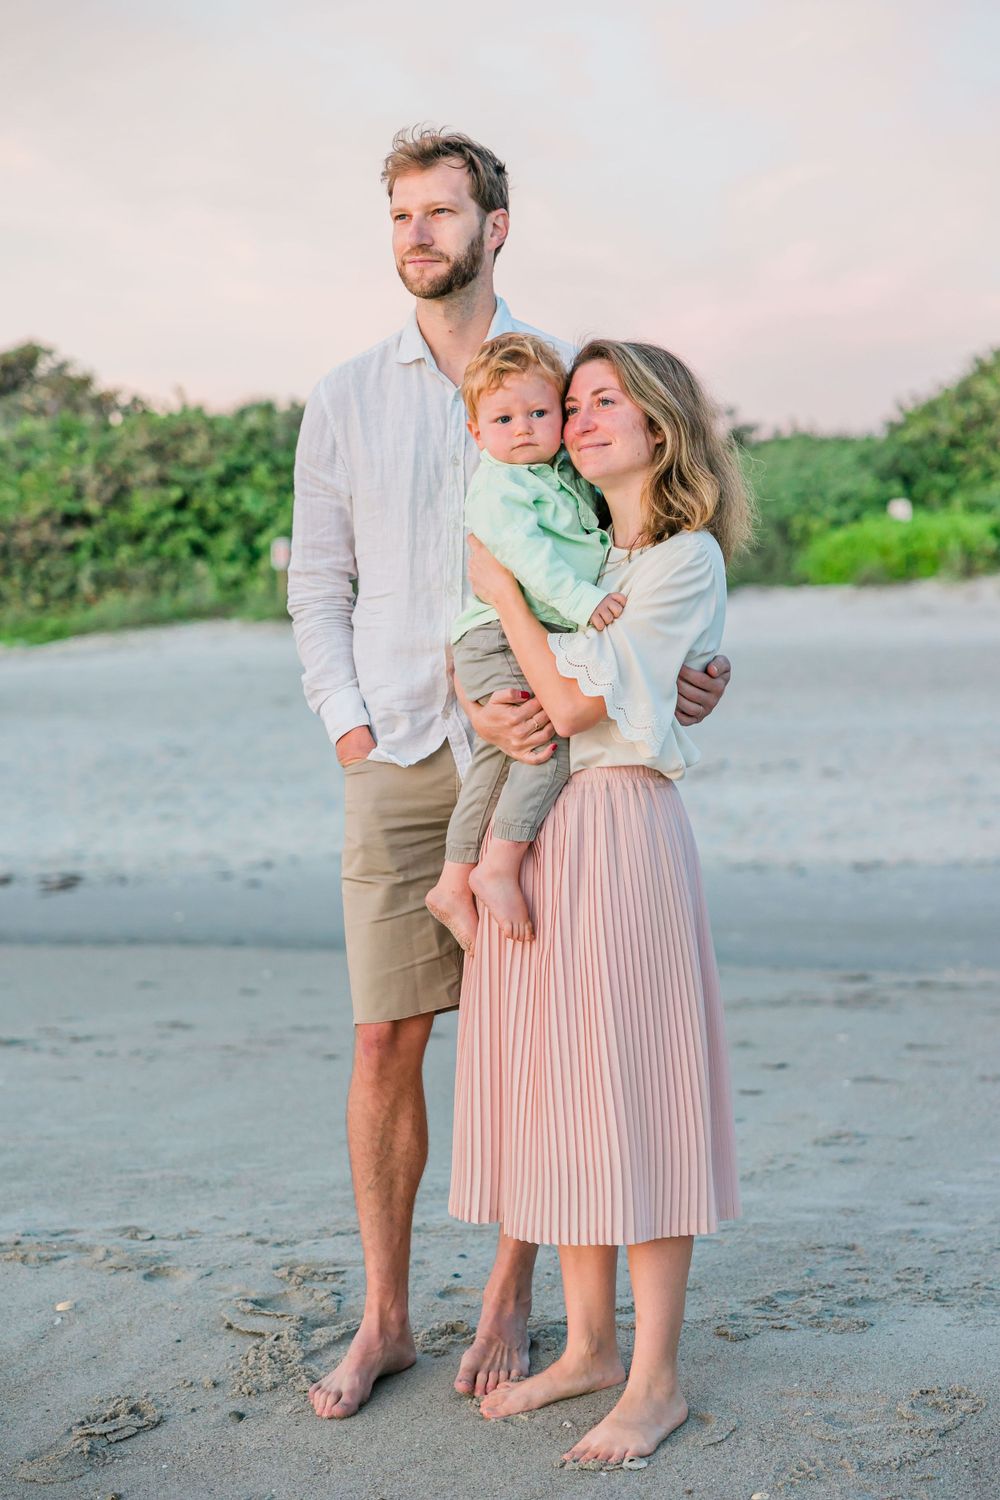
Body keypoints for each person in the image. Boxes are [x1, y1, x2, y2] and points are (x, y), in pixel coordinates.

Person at [288, 125, 732, 1422]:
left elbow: (647, 541)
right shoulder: (347, 393)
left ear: (495, 225)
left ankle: (515, 1301)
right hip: (411, 740)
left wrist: (704, 663)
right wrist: (349, 725)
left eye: (441, 212)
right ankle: (385, 1318)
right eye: (400, 215)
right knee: (388, 1032)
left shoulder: (561, 378)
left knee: (536, 1035)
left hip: (557, 745)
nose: (417, 234)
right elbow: (320, 579)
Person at [450, 338, 750, 1466]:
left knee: (639, 1087)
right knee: (562, 1092)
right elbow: (503, 674)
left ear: (661, 425)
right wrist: (492, 649)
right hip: (542, 833)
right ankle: (584, 1347)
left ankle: (657, 1378)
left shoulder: (682, 560)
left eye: (604, 400)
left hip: (620, 825)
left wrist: (497, 595)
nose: (578, 418)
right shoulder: (571, 539)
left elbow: (573, 708)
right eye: (570, 403)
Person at [425, 331, 626, 954]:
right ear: (474, 430)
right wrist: (588, 604)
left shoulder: (558, 472)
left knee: (500, 753)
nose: (523, 429)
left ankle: (455, 879)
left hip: (516, 633)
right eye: (503, 418)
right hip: (497, 635)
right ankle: (500, 863)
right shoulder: (501, 488)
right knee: (547, 740)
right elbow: (531, 560)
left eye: (540, 413)